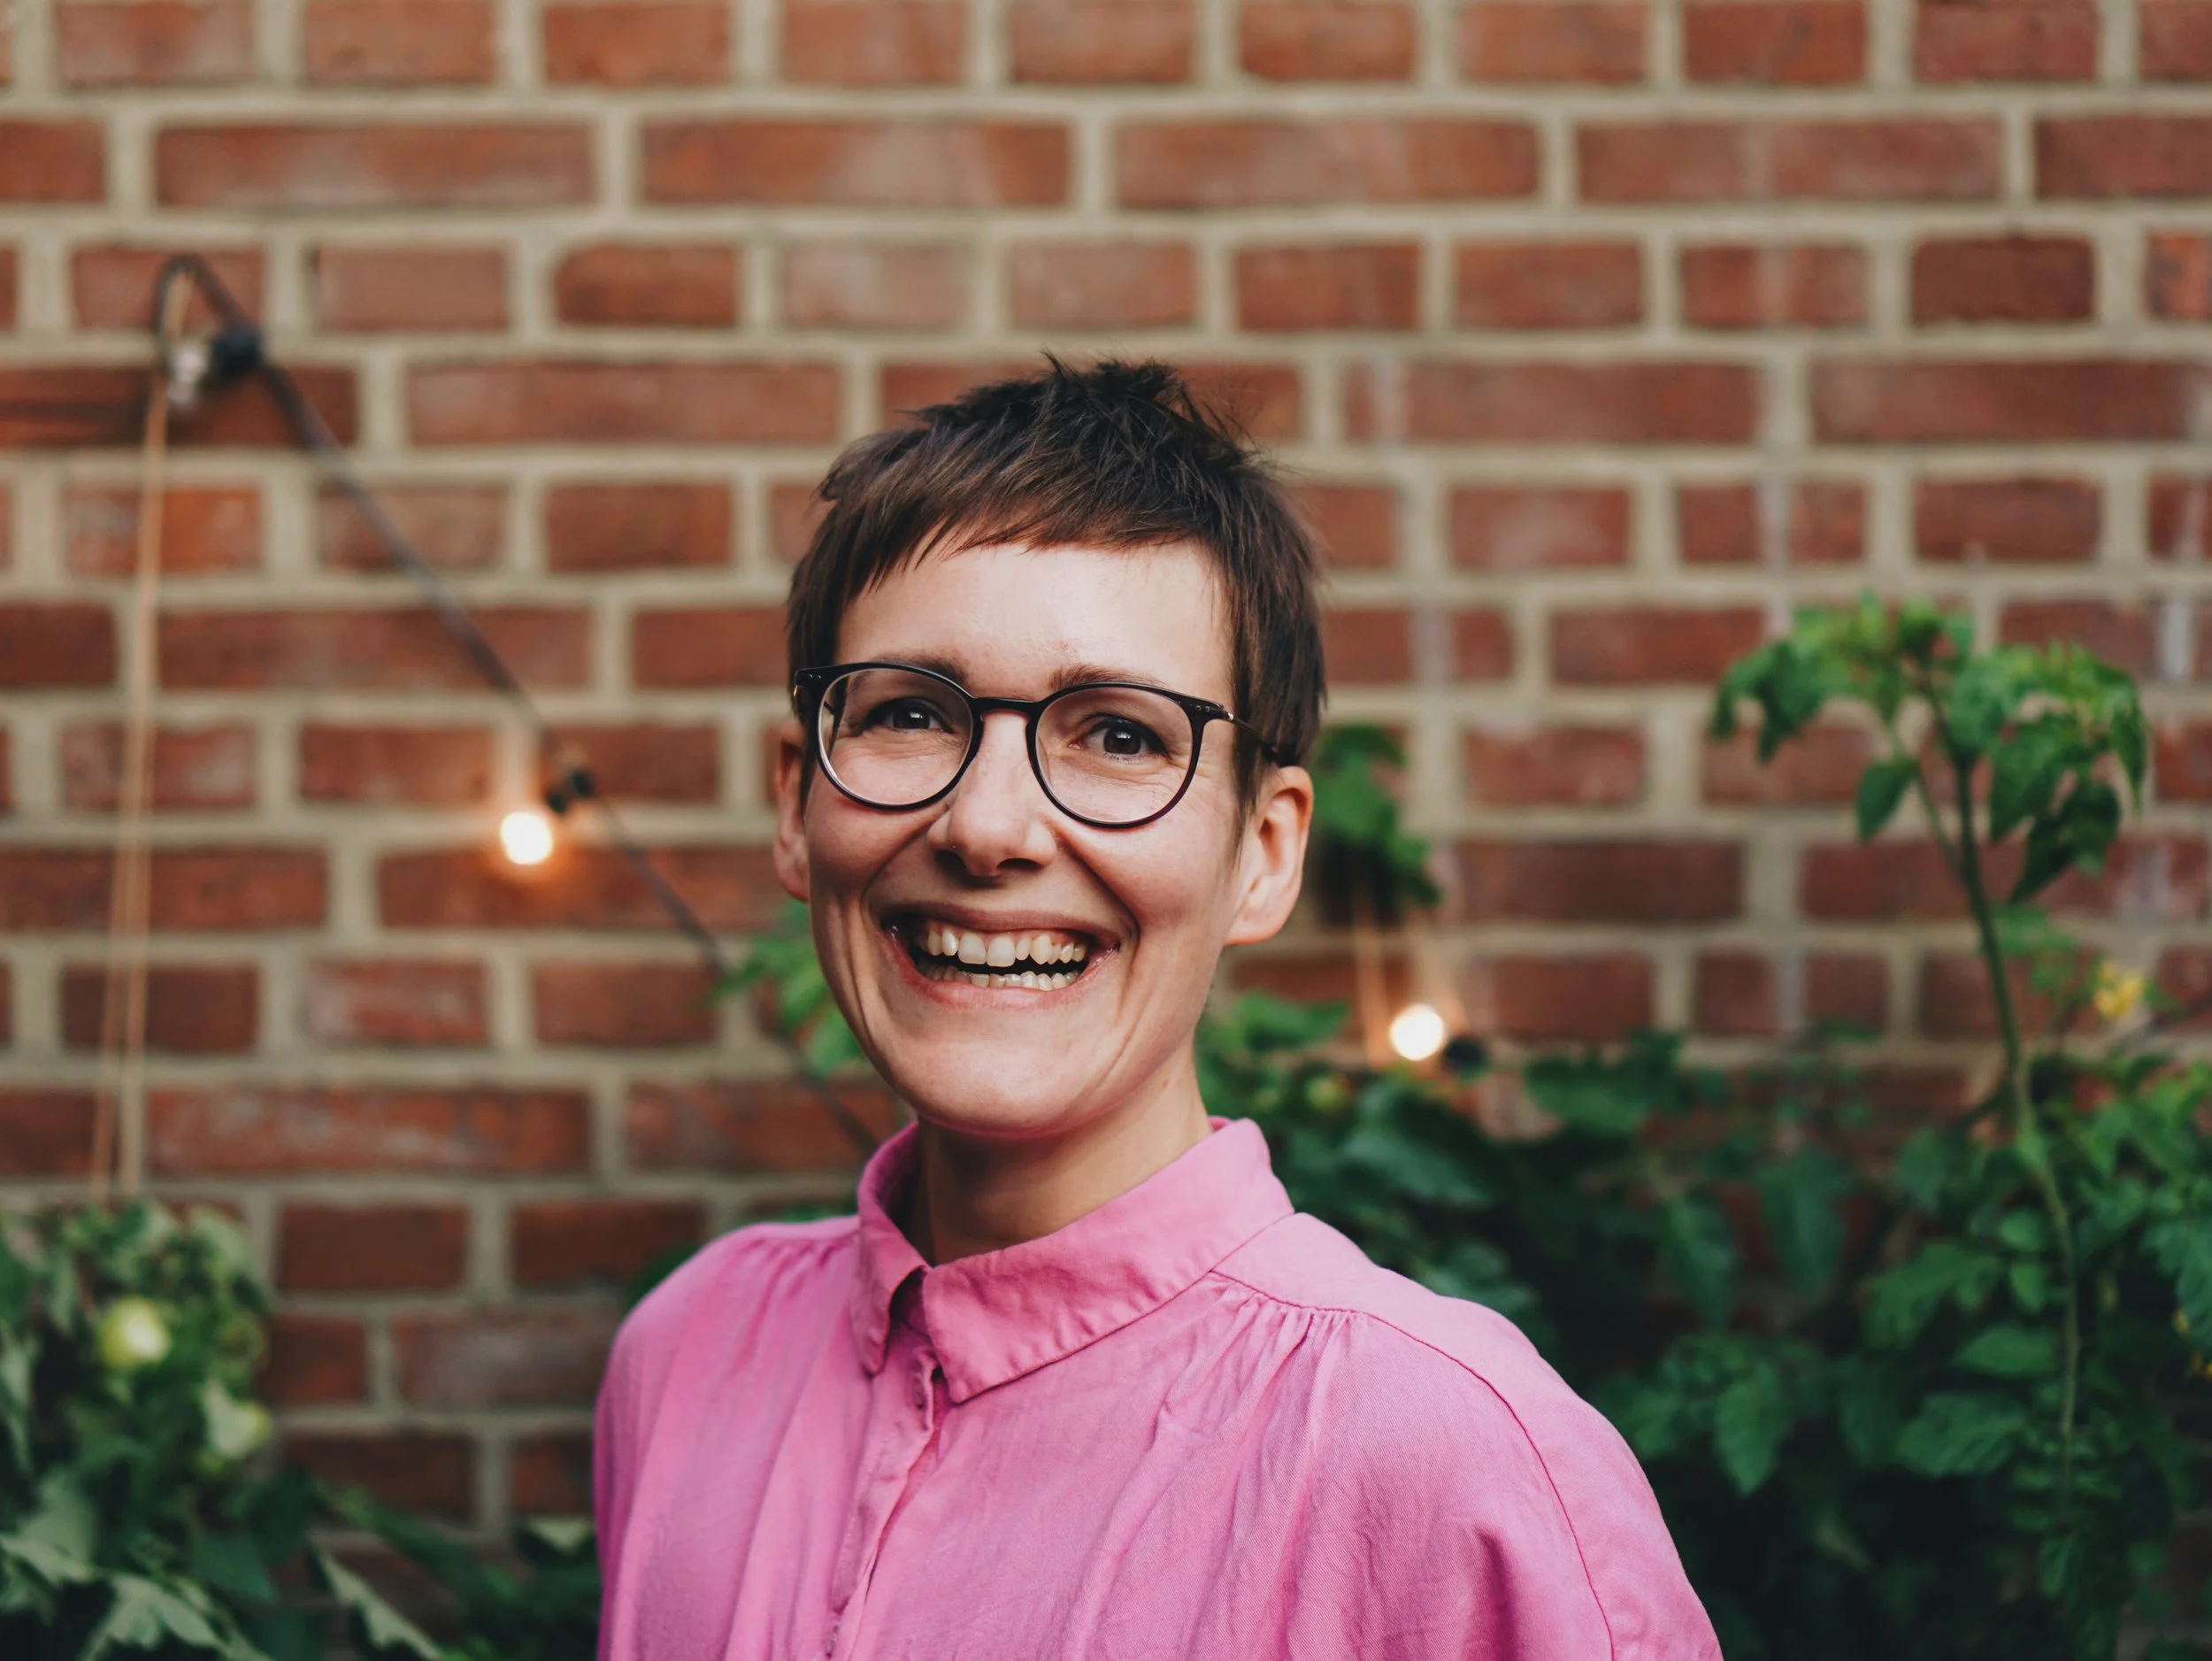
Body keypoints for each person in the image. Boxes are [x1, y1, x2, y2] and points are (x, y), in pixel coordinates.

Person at [592, 360, 1721, 1660]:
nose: (988, 826)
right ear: (798, 802)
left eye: (1120, 735)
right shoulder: (687, 1356)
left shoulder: (1453, 1466)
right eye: (909, 713)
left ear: (1265, 852)